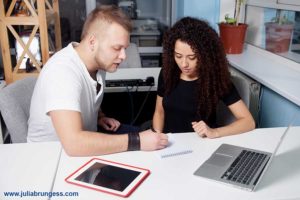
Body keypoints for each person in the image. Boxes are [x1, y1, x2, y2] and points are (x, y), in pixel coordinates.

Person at [27, 5, 168, 156]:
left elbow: (87, 94)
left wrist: (100, 117)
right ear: (93, 42)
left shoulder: (98, 64)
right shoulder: (62, 71)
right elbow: (74, 144)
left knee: (153, 142)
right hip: (52, 158)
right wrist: (137, 141)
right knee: (140, 143)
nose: (123, 56)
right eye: (116, 48)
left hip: (81, 146)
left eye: (124, 49)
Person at [152, 17, 255, 138]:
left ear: (205, 55)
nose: (184, 64)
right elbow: (159, 111)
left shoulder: (215, 79)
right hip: (170, 143)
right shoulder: (167, 73)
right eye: (178, 56)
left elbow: (248, 122)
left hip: (201, 144)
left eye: (192, 58)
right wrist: (157, 136)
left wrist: (214, 132)